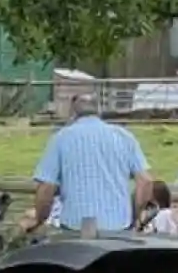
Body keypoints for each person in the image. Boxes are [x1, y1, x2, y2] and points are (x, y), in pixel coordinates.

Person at [27, 93, 152, 232]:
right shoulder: (124, 137)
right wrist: (135, 217)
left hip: (75, 229)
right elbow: (145, 182)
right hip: (119, 228)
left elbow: (46, 187)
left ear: (73, 113)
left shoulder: (60, 139)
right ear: (99, 112)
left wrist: (40, 219)